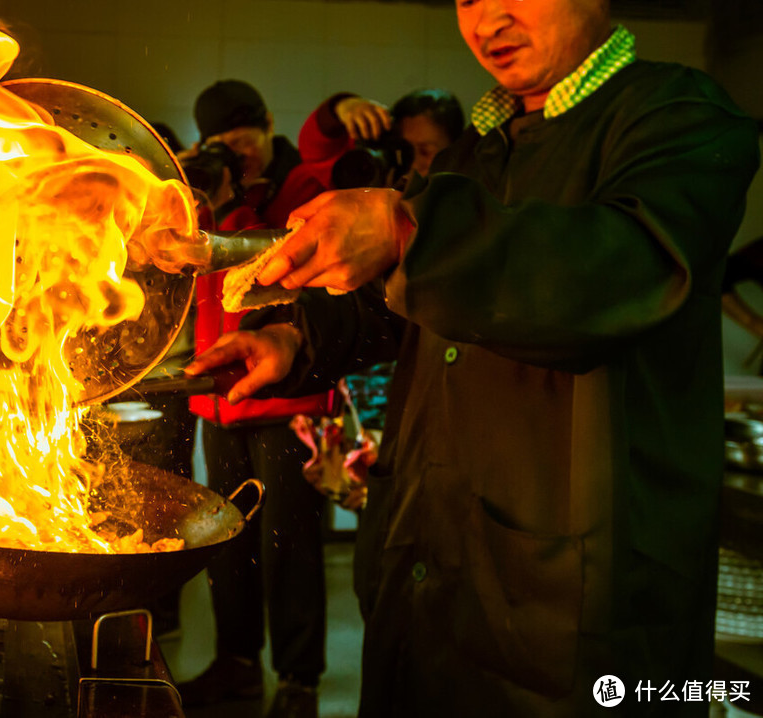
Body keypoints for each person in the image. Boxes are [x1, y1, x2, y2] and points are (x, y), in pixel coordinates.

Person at [184, 0, 761, 715]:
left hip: (574, 591)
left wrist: (406, 233)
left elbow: (624, 268)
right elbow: (409, 305)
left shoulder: (678, 116)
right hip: (428, 554)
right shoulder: (476, 150)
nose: (488, 17)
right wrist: (298, 341)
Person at [176, 80, 336, 718]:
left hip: (284, 400)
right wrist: (205, 194)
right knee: (230, 545)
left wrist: (246, 195)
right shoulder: (214, 194)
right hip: (219, 400)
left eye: (246, 131)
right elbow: (191, 259)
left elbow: (285, 248)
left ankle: (299, 681)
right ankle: (237, 664)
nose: (237, 147)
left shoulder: (298, 188)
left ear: (269, 122)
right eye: (223, 138)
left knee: (289, 546)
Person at [298, 87, 464, 191]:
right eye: (403, 148)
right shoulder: (372, 174)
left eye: (426, 151)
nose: (412, 161)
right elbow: (316, 151)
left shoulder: (456, 203)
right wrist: (343, 107)